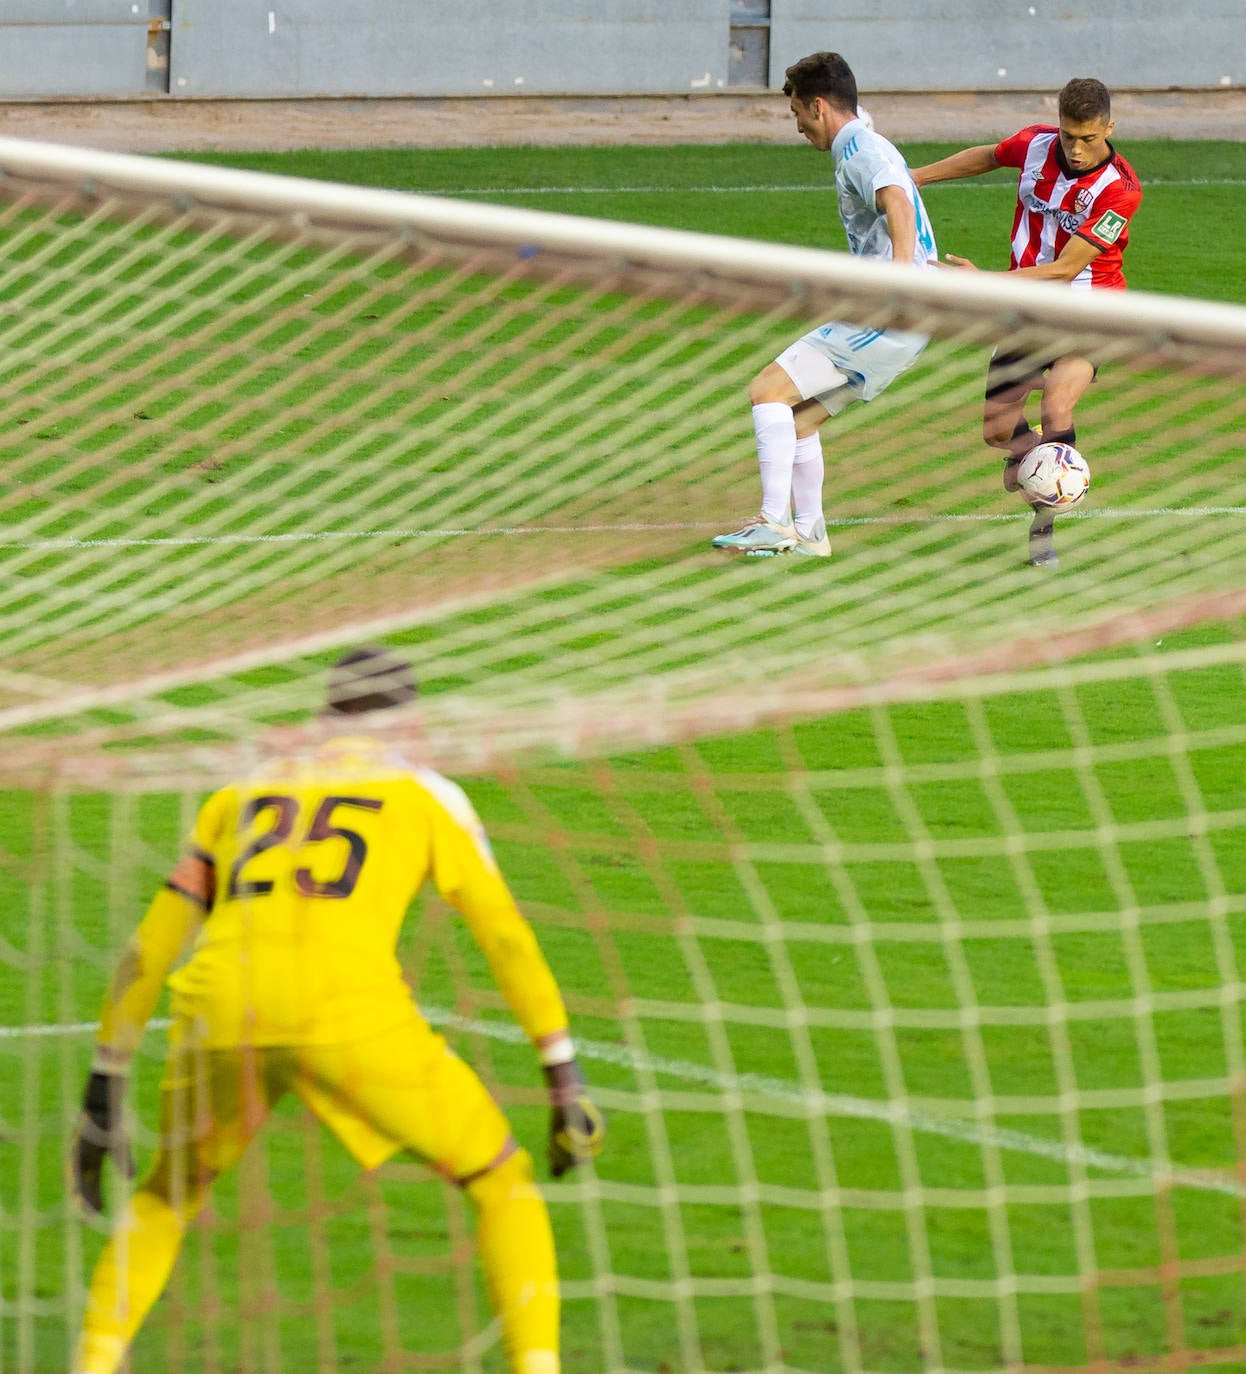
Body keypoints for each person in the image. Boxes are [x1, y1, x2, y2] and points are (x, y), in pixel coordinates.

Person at [68, 645, 605, 1374]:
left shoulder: (241, 795)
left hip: (220, 1010)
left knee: (167, 1193)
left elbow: (149, 949)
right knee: (499, 1178)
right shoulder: (424, 792)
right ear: (408, 721)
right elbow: (505, 937)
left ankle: (93, 1363)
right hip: (348, 1016)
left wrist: (106, 1078)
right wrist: (561, 1074)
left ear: (326, 713)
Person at [712, 50, 938, 559]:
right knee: (799, 422)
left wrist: (901, 279)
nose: (796, 127)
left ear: (818, 107)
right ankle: (811, 535)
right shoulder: (864, 138)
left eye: (796, 113)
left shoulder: (862, 151)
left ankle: (773, 522)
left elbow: (897, 203)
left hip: (889, 315)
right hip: (913, 326)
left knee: (767, 390)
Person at [910, 78, 1142, 567]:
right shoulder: (1037, 143)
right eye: (1068, 136)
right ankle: (1031, 457)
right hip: (1026, 312)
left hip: (1089, 312)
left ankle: (1043, 529)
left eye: (1089, 138)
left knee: (1058, 404)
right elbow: (989, 155)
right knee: (997, 430)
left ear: (1109, 128)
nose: (1076, 150)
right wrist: (915, 177)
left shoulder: (1120, 191)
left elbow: (1064, 270)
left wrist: (986, 282)